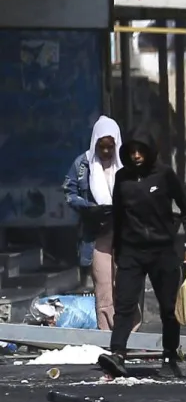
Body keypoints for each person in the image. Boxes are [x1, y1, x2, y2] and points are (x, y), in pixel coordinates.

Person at [98, 138, 186, 378]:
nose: (136, 156)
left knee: (168, 308)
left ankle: (169, 354)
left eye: (140, 151)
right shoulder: (123, 178)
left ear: (149, 151)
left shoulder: (164, 175)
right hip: (131, 251)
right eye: (131, 152)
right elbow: (119, 215)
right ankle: (118, 354)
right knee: (124, 305)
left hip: (162, 250)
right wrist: (117, 250)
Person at [63, 115, 123, 329]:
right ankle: (107, 335)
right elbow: (69, 193)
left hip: (124, 233)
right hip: (97, 235)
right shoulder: (83, 164)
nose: (106, 152)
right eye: (102, 146)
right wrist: (89, 208)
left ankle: (129, 335)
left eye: (110, 146)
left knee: (125, 286)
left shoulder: (125, 165)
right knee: (104, 286)